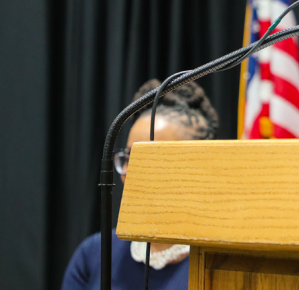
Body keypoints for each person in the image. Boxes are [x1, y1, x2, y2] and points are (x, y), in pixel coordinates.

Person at [61, 80, 220, 290]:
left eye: (152, 159)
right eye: (129, 157)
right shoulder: (94, 253)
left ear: (199, 167)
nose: (132, 173)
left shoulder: (227, 264)